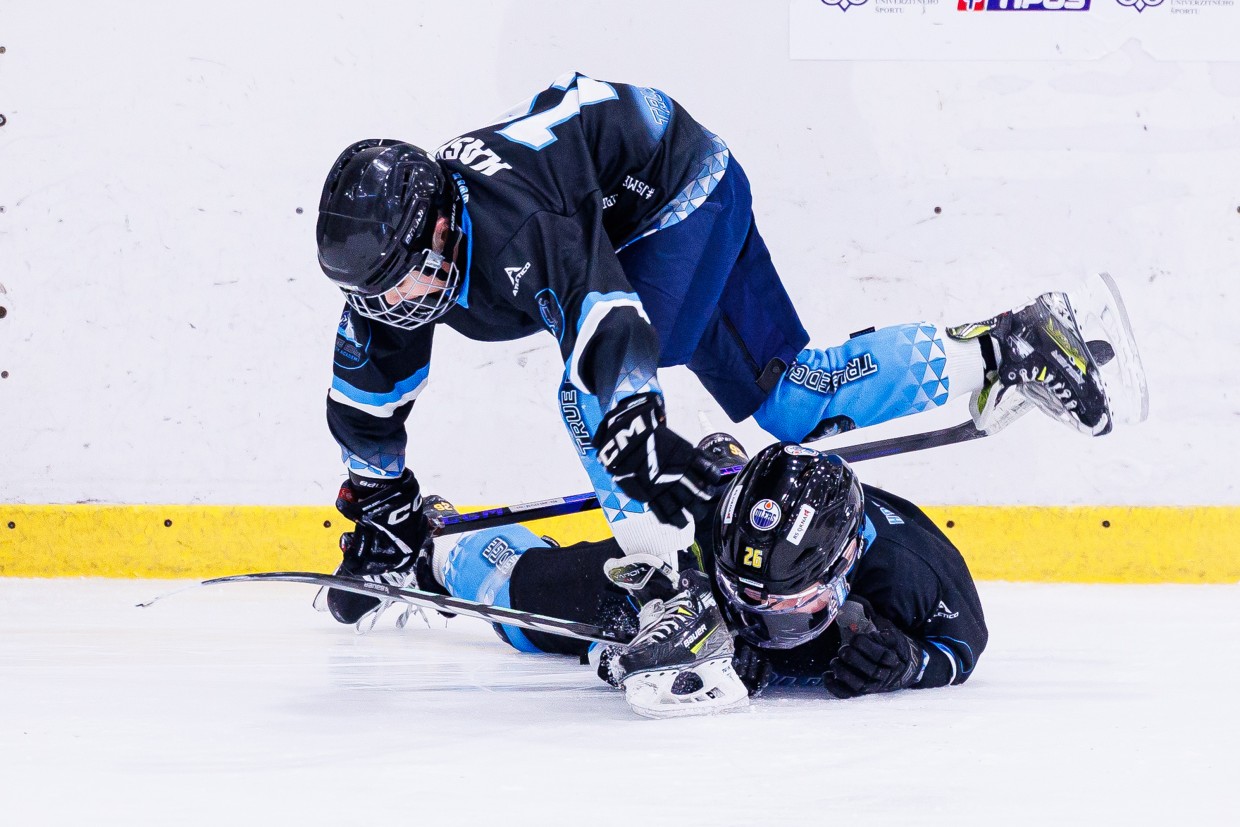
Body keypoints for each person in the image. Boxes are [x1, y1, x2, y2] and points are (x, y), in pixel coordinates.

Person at [313, 71, 1106, 709]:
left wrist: (638, 431)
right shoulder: (405, 265)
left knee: (589, 397)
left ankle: (668, 590)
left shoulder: (515, 224)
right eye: (375, 290)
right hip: (672, 188)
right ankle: (1006, 346)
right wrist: (383, 502)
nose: (396, 301)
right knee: (793, 397)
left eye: (404, 276)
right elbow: (364, 393)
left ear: (442, 222)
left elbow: (605, 321)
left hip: (675, 192)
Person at [325, 439, 988, 719]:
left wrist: (914, 663)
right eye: (748, 599)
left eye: (786, 604)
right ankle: (435, 553)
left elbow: (964, 645)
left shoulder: (913, 568)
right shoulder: (709, 522)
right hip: (695, 577)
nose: (763, 620)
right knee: (531, 601)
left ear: (846, 565)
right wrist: (651, 620)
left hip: (836, 613)